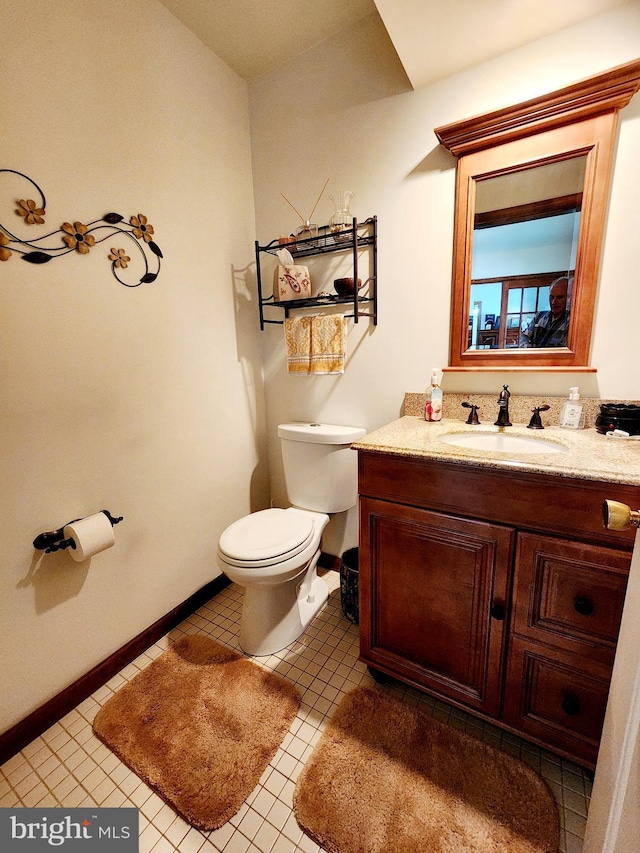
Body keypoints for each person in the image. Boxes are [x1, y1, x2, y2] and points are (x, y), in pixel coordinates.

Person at [520, 276, 571, 347]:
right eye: (551, 297)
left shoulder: (570, 322)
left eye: (559, 298)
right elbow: (524, 336)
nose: (554, 302)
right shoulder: (539, 316)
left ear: (569, 298)